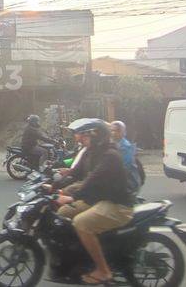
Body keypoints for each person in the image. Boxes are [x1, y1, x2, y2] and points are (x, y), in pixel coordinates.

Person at [54, 119, 134, 285]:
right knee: (62, 214)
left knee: (81, 223)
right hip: (100, 199)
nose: (81, 139)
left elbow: (91, 180)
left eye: (85, 136)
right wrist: (54, 186)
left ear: (96, 136)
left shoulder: (110, 155)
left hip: (117, 205)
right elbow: (76, 172)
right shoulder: (93, 151)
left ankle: (104, 271)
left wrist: (71, 197)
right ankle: (80, 256)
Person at [111, 120, 142, 194]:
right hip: (118, 182)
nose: (114, 133)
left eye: (117, 130)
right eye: (112, 130)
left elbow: (124, 168)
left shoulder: (125, 147)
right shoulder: (112, 144)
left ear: (123, 132)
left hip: (128, 184)